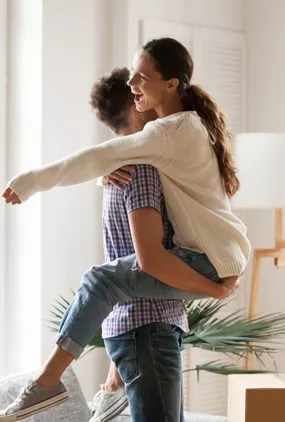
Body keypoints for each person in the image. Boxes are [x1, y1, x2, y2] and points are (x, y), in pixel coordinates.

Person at [0, 37, 251, 422]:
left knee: (101, 280)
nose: (134, 84)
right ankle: (56, 385)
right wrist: (103, 176)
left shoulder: (167, 134)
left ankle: (46, 385)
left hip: (207, 262)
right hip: (196, 273)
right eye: (132, 76)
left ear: (171, 84)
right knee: (102, 281)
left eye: (142, 77)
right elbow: (115, 160)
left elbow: (102, 156)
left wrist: (31, 182)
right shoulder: (170, 136)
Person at [82, 68, 191, 422]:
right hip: (149, 324)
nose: (153, 100)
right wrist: (214, 288)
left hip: (139, 324)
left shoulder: (122, 167)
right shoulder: (140, 168)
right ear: (135, 105)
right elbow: (150, 260)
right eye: (143, 93)